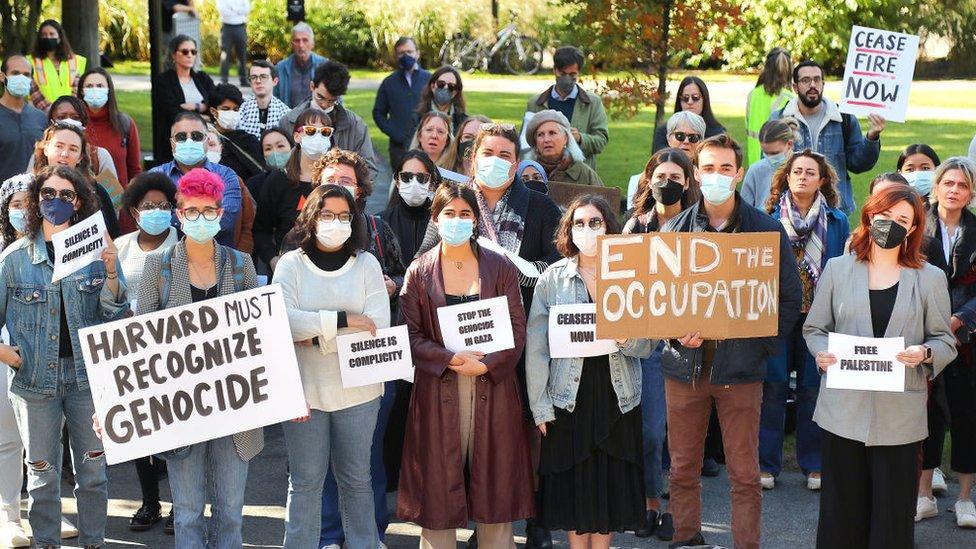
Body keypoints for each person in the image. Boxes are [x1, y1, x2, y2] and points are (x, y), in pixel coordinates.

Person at [660, 134, 802, 549]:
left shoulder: (766, 230)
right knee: (683, 468)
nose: (717, 176)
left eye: (726, 168)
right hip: (684, 368)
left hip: (741, 372)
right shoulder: (675, 229)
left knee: (744, 472)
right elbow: (658, 299)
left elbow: (788, 300)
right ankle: (686, 538)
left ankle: (746, 545)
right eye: (708, 168)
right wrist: (674, 332)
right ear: (695, 174)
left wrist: (757, 345)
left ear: (739, 173)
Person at [804, 184, 955, 548]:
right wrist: (821, 352)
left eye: (903, 219)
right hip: (842, 413)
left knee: (891, 520)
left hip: (899, 419)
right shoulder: (838, 269)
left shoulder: (930, 277)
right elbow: (815, 328)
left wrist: (926, 353)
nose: (891, 224)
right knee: (841, 516)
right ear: (870, 215)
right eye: (885, 215)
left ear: (914, 228)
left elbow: (944, 339)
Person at [132, 168, 263, 548]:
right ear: (179, 213)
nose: (200, 218)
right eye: (192, 211)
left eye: (209, 211)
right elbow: (138, 341)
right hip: (180, 409)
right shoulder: (158, 267)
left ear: (221, 214)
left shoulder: (242, 266)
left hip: (234, 408)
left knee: (230, 513)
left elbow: (259, 338)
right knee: (187, 513)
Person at [398, 182, 533, 548]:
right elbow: (410, 336)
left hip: (493, 387)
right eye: (449, 214)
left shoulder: (499, 266)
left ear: (475, 219)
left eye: (465, 214)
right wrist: (448, 359)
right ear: (436, 218)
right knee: (438, 495)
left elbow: (517, 330)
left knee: (495, 495)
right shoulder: (419, 271)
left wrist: (488, 365)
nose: (457, 221)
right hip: (439, 389)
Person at [0, 165, 126, 549]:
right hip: (34, 381)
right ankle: (47, 543)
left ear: (78, 202)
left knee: (92, 473)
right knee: (42, 475)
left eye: (66, 194)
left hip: (89, 380)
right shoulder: (15, 257)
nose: (56, 201)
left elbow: (117, 317)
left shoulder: (96, 250)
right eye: (48, 194)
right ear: (38, 200)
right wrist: (7, 354)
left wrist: (111, 274)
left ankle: (93, 542)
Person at [527, 195, 651, 547]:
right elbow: (536, 347)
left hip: (618, 394)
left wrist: (628, 337)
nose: (587, 229)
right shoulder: (553, 278)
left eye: (594, 222)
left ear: (609, 226)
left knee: (608, 491)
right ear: (568, 230)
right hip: (568, 398)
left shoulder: (631, 276)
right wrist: (540, 406)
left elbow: (648, 344)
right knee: (575, 490)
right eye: (578, 223)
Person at [272, 183, 388, 549]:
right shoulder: (291, 264)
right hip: (304, 393)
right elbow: (282, 322)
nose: (335, 222)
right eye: (326, 214)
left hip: (360, 393)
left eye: (343, 216)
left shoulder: (367, 264)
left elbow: (377, 326)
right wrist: (343, 321)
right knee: (305, 483)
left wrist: (312, 336)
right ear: (311, 217)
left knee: (357, 481)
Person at [759, 150, 850, 492]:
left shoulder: (838, 221)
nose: (803, 177)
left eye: (810, 172)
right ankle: (766, 464)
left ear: (822, 180)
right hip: (777, 316)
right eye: (797, 171)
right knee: (773, 387)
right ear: (787, 176)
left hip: (820, 318)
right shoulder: (766, 217)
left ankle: (814, 464)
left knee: (814, 389)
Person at [623, 148, 699, 541]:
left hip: (690, 342)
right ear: (647, 179)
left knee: (683, 435)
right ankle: (651, 502)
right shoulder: (635, 226)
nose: (666, 183)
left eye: (675, 177)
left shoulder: (699, 227)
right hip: (648, 343)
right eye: (660, 175)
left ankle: (676, 510)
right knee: (651, 431)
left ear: (687, 183)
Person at [113, 172, 180, 532]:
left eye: (163, 206)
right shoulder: (120, 247)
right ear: (134, 211)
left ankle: (181, 505)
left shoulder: (183, 243)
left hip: (173, 351)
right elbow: (109, 297)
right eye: (148, 206)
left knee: (176, 431)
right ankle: (150, 502)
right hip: (130, 352)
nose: (156, 211)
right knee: (140, 430)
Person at [916, 157, 976, 527]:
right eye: (948, 183)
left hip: (968, 339)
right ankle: (923, 493)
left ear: (970, 193)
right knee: (927, 414)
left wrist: (959, 319)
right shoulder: (918, 228)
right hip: (924, 336)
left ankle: (966, 497)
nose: (954, 190)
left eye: (962, 185)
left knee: (968, 414)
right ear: (936, 187)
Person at [378, 150, 442, 490]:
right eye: (406, 177)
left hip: (437, 324)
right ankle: (393, 477)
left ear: (433, 182)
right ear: (396, 180)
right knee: (398, 402)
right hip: (395, 324)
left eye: (421, 178)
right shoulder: (381, 221)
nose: (413, 184)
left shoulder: (445, 221)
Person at [771, 60, 883, 215]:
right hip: (791, 210)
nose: (812, 85)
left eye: (817, 80)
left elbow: (858, 163)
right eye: (805, 80)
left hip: (834, 209)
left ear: (823, 84)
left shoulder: (844, 117)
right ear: (795, 87)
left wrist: (872, 136)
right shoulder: (779, 119)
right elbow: (769, 165)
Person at [148, 111, 244, 249]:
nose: (189, 141)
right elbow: (153, 223)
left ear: (206, 140)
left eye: (196, 136)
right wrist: (206, 217)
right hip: (167, 263)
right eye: (181, 137)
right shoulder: (155, 176)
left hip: (219, 261)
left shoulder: (227, 176)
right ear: (171, 143)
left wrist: (173, 217)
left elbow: (225, 222)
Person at [253, 108, 329, 270]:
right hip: (289, 269)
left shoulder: (335, 179)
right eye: (310, 131)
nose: (318, 137)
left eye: (325, 132)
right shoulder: (278, 180)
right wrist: (273, 260)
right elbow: (261, 230)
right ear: (297, 137)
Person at [0, 174, 32, 548]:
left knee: (44, 442)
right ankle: (8, 516)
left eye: (30, 203)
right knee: (8, 440)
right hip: (5, 357)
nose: (23, 211)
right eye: (15, 204)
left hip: (44, 359)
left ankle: (45, 510)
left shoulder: (52, 247)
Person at [279, 60, 379, 178]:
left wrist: (352, 190)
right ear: (312, 86)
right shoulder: (289, 121)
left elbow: (369, 169)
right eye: (320, 97)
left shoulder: (356, 125)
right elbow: (281, 165)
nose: (325, 105)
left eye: (332, 100)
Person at [31, 121, 121, 238]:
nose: (64, 154)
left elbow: (114, 236)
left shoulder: (97, 192)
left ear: (80, 157)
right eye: (59, 146)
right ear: (46, 149)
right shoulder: (29, 188)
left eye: (73, 149)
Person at [526, 46, 608, 169]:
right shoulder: (536, 103)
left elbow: (601, 140)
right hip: (543, 174)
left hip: (579, 176)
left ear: (579, 73)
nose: (567, 78)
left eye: (572, 74)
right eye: (563, 73)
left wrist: (581, 138)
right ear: (554, 70)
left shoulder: (592, 103)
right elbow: (526, 143)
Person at [38, 95, 124, 212]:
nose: (69, 121)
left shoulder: (99, 156)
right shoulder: (39, 155)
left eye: (75, 118)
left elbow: (114, 203)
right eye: (61, 117)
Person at [152, 35, 216, 163]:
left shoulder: (202, 78)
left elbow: (214, 104)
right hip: (175, 142)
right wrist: (202, 113)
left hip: (203, 139)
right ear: (174, 55)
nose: (190, 55)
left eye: (193, 52)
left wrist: (196, 106)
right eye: (185, 51)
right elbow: (172, 111)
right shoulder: (164, 81)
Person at [373, 37, 432, 167]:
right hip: (398, 148)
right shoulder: (389, 82)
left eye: (409, 52)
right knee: (400, 184)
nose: (406, 56)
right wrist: (394, 132)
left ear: (417, 53)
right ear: (396, 56)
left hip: (427, 145)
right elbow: (378, 112)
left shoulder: (430, 79)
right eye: (401, 53)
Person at [78, 67, 142, 187]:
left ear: (108, 90)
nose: (95, 90)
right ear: (82, 91)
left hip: (118, 202)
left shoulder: (125, 124)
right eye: (89, 86)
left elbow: (135, 171)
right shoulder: (75, 125)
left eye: (100, 86)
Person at [525, 109, 603, 187]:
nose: (546, 139)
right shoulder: (525, 172)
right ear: (535, 142)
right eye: (540, 135)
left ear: (566, 138)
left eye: (552, 133)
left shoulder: (584, 174)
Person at [0, 55, 48, 182]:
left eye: (26, 75)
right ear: (2, 76)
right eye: (15, 73)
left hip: (33, 195)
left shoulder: (40, 117)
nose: (21, 78)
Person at [745, 48, 793, 167]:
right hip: (776, 161)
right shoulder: (788, 98)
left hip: (754, 160)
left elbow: (747, 124)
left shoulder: (753, 93)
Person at [208, 83, 265, 181]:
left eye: (236, 109)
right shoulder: (208, 141)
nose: (232, 113)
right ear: (213, 111)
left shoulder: (249, 140)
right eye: (225, 109)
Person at [652, 77, 726, 153]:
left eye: (695, 97)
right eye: (685, 98)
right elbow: (658, 160)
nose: (690, 102)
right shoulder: (664, 131)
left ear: (704, 100)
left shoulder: (718, 133)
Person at [740, 118, 798, 209]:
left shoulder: (803, 168)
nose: (770, 158)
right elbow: (744, 208)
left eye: (775, 153)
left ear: (789, 144)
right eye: (766, 153)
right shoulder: (756, 170)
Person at [29, 20, 87, 109]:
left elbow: (79, 89)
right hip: (39, 112)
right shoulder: (29, 61)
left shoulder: (77, 61)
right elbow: (31, 91)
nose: (48, 37)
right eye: (44, 34)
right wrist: (51, 111)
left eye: (51, 34)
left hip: (70, 112)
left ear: (60, 37)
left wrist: (69, 108)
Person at [274, 22, 328, 109]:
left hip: (318, 120)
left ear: (312, 43)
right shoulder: (280, 69)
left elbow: (337, 100)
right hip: (288, 120)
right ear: (292, 44)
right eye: (297, 41)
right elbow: (273, 101)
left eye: (305, 40)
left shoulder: (325, 66)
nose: (301, 45)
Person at [238, 60, 291, 139]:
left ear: (275, 81)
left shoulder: (286, 114)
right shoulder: (241, 111)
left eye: (263, 77)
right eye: (253, 77)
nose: (258, 81)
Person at [415, 66, 468, 134]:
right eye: (441, 84)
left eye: (451, 86)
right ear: (433, 86)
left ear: (455, 92)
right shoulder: (418, 117)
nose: (445, 88)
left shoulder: (463, 121)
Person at [217, 0, 251, 87]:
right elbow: (223, 10)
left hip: (240, 27)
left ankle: (243, 80)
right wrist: (238, 10)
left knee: (242, 55)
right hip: (226, 27)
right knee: (225, 54)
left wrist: (232, 9)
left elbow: (247, 9)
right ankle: (224, 79)